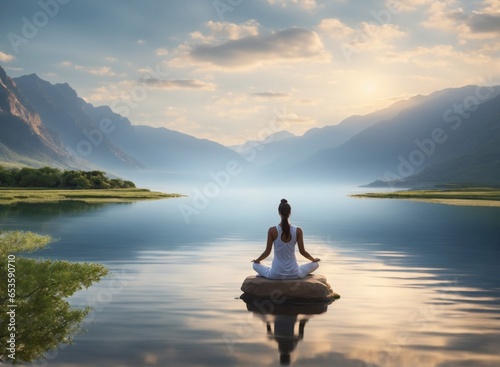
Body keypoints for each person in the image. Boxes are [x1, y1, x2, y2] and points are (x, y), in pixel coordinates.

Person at [251, 199, 320, 279]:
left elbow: (267, 252)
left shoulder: (272, 230)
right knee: (316, 264)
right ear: (290, 212)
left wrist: (257, 260)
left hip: (275, 274)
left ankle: (268, 271)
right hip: (294, 274)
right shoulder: (298, 230)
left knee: (255, 265)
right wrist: (313, 259)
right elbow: (303, 252)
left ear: (279, 212)